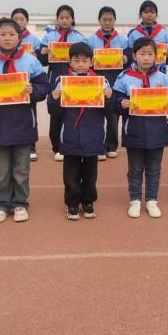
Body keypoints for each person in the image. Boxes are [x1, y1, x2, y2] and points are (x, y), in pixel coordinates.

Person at [0, 17, 50, 223]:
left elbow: (44, 86)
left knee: (21, 168)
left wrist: (34, 90)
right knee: (1, 169)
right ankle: (0, 205)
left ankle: (20, 203)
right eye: (3, 34)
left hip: (23, 123)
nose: (7, 38)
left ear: (19, 37)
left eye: (12, 34)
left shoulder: (30, 61)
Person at [113, 37, 168, 218]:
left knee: (154, 168)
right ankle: (135, 199)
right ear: (134, 55)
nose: (146, 58)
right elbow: (114, 101)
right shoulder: (124, 77)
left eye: (150, 54)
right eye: (142, 54)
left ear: (156, 57)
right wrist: (121, 103)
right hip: (133, 131)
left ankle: (151, 199)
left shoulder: (163, 78)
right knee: (135, 169)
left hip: (157, 131)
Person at [48, 42, 113, 220]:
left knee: (90, 173)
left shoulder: (102, 81)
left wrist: (109, 97)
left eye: (85, 61)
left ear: (92, 62)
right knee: (71, 173)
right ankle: (72, 203)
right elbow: (54, 112)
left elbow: (110, 112)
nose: (81, 64)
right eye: (76, 60)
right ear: (69, 62)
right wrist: (53, 98)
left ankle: (88, 201)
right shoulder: (61, 81)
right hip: (70, 132)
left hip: (93, 133)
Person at [37, 5, 87, 161]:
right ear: (57, 19)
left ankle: (72, 144)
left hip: (75, 79)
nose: (64, 20)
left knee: (72, 112)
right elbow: (42, 62)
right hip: (55, 78)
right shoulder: (49, 37)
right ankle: (57, 147)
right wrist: (42, 54)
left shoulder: (79, 38)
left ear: (73, 19)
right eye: (61, 17)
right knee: (56, 112)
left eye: (67, 17)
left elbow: (86, 60)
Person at [86, 6, 128, 160]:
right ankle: (97, 145)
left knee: (113, 114)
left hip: (116, 79)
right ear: (99, 20)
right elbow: (86, 59)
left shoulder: (123, 40)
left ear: (115, 20)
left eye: (110, 20)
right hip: (97, 79)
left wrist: (125, 59)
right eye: (104, 19)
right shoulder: (90, 40)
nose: (107, 22)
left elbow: (131, 59)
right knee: (96, 114)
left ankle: (111, 146)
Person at [12, 7, 42, 162]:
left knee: (30, 116)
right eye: (15, 19)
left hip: (27, 84)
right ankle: (11, 145)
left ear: (27, 21)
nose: (19, 21)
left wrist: (38, 55)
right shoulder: (4, 38)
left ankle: (31, 147)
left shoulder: (34, 39)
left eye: (21, 19)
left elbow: (42, 61)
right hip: (8, 83)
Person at [125, 0, 168, 72]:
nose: (149, 15)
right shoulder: (134, 34)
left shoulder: (163, 32)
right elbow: (129, 53)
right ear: (140, 15)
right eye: (146, 12)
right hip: (139, 71)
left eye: (152, 12)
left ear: (156, 15)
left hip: (159, 71)